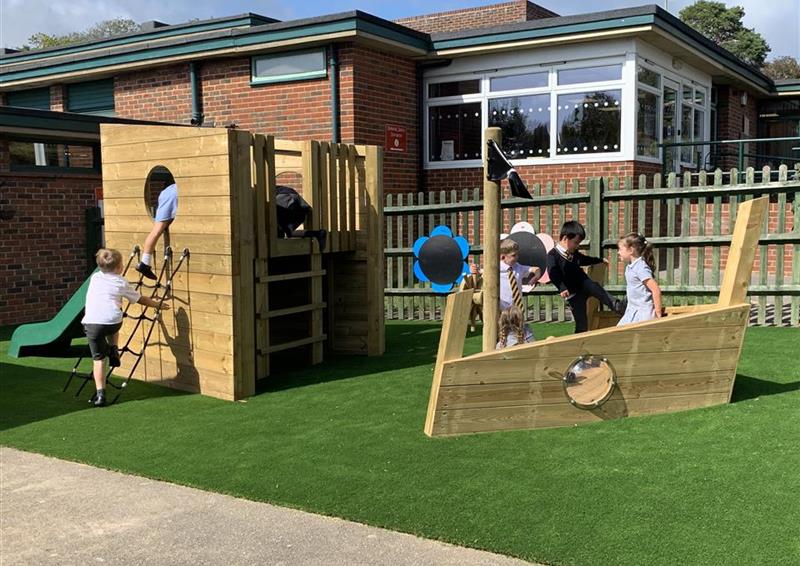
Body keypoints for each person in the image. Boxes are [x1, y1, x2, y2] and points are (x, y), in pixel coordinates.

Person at [83, 248, 169, 406]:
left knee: (98, 359)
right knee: (113, 318)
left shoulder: (95, 277)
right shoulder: (121, 282)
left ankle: (101, 394)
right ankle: (114, 348)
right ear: (118, 267)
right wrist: (157, 304)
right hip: (113, 322)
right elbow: (140, 299)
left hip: (92, 323)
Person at [546, 220, 624, 334]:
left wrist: (599, 260)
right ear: (565, 238)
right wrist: (562, 287)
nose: (577, 246)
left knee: (595, 287)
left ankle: (618, 306)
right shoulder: (553, 255)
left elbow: (584, 260)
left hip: (584, 284)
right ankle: (579, 340)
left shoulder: (573, 253)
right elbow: (553, 273)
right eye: (576, 242)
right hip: (573, 294)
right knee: (581, 322)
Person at [471, 238, 541, 340]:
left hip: (516, 312)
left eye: (517, 254)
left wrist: (536, 277)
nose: (517, 257)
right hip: (501, 312)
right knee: (501, 336)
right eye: (513, 255)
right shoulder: (494, 269)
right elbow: (478, 272)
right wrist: (474, 269)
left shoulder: (518, 268)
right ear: (503, 256)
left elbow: (536, 269)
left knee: (520, 336)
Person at [616, 232, 662, 325]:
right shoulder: (631, 266)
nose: (618, 252)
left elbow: (655, 290)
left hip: (643, 313)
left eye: (620, 249)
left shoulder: (641, 267)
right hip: (632, 311)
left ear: (631, 250)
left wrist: (658, 313)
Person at [136, 181, 177, 280]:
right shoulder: (175, 190)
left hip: (168, 195)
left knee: (158, 229)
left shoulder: (169, 189)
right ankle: (144, 262)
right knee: (157, 230)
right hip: (172, 196)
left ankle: (145, 261)